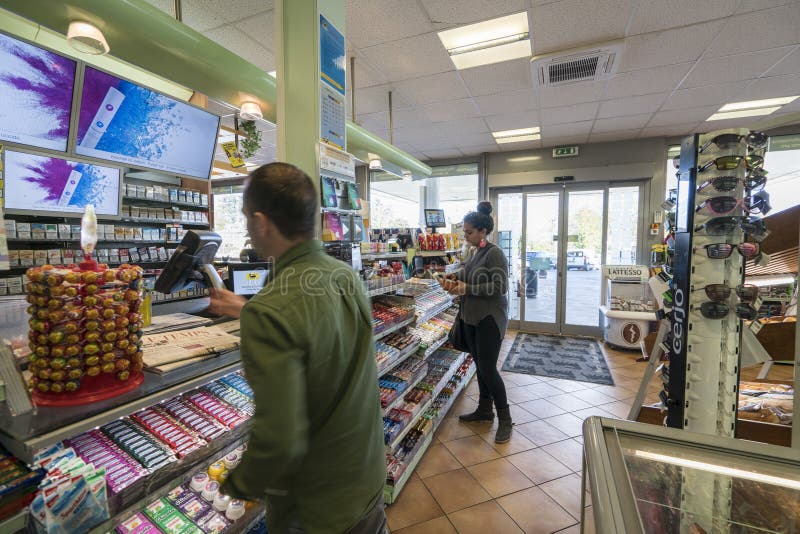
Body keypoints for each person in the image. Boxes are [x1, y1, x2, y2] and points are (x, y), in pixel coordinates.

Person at [209, 162, 386, 534]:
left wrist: (236, 484)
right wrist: (250, 309)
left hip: (314, 509)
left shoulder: (270, 309)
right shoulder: (345, 276)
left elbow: (281, 439)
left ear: (260, 222)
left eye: (245, 219)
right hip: (366, 480)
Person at [440, 201, 512, 443]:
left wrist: (466, 287)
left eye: (469, 232)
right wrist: (453, 276)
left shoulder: (494, 253)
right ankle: (484, 410)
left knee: (489, 369)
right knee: (480, 366)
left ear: (483, 231)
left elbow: (500, 287)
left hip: (489, 320)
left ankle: (505, 420)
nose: (466, 236)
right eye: (465, 232)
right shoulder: (475, 251)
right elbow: (469, 272)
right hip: (471, 317)